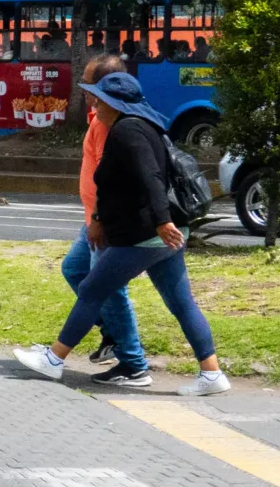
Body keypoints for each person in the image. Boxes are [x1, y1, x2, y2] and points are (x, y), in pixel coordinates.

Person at [15, 70, 228, 395]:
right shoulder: (147, 127)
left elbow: (151, 177)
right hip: (161, 235)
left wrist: (160, 220)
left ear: (115, 103)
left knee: (91, 289)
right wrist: (102, 217)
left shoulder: (128, 130)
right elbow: (121, 185)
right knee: (181, 302)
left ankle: (54, 360)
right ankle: (212, 374)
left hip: (145, 235)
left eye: (99, 97)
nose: (94, 102)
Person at [59, 52, 150, 388]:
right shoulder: (98, 118)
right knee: (74, 270)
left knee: (108, 289)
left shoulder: (112, 124)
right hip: (93, 219)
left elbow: (108, 178)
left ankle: (133, 363)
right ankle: (113, 333)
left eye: (90, 83)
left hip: (104, 222)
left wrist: (99, 219)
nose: (84, 89)